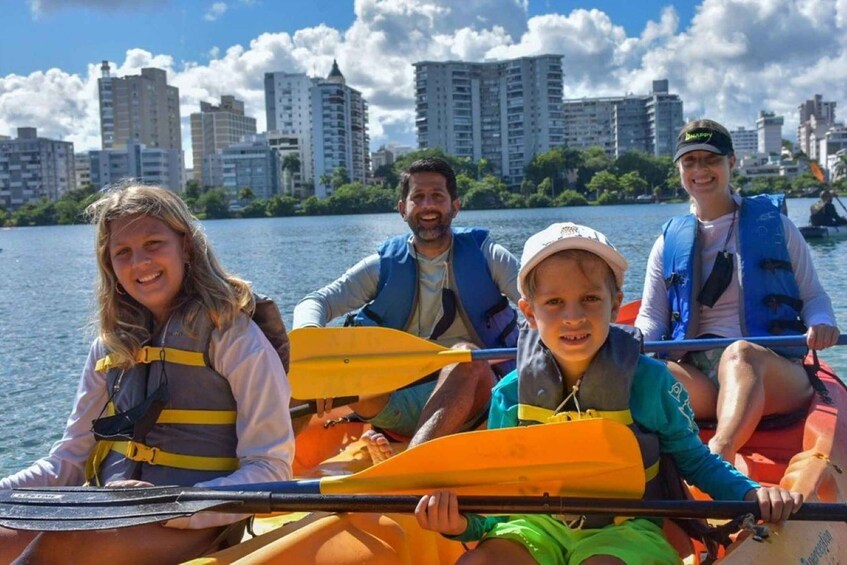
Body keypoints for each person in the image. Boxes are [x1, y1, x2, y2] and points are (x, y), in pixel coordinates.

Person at [415, 222, 804, 565]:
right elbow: (499, 503)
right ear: (529, 313)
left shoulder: (652, 383)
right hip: (532, 528)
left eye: (590, 299)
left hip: (627, 528)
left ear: (615, 304)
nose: (573, 316)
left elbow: (697, 463)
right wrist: (462, 525)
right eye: (554, 302)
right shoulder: (509, 393)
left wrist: (753, 494)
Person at [0, 185, 294, 563]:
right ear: (110, 265)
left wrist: (170, 505)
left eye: (154, 243)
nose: (139, 262)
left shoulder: (232, 336)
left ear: (185, 246)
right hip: (112, 514)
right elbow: (68, 463)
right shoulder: (109, 347)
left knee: (65, 542)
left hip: (192, 520)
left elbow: (270, 469)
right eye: (123, 252)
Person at [635, 119, 840, 464]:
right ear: (679, 169)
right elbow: (652, 317)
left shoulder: (777, 227)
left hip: (770, 368)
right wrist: (631, 344)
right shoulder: (667, 242)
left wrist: (822, 322)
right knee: (633, 367)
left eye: (711, 159)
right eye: (690, 161)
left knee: (740, 354)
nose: (700, 170)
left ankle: (719, 455)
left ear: (731, 162)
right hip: (699, 375)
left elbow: (814, 297)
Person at [293, 157, 520, 462]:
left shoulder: (489, 255)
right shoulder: (383, 264)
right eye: (418, 197)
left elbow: (538, 306)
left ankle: (412, 462)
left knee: (463, 355)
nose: (428, 205)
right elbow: (316, 301)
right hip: (393, 400)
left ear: (455, 206)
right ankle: (268, 469)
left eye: (437, 196)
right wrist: (312, 345)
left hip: (474, 398)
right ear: (403, 209)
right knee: (298, 371)